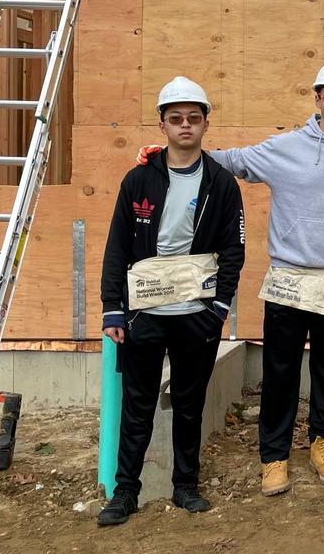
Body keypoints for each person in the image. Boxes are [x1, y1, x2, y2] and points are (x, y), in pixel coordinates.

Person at [198, 60, 324, 496]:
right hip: (289, 276)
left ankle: (323, 444)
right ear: (316, 98)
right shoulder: (285, 148)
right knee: (280, 370)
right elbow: (230, 161)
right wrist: (173, 156)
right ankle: (274, 456)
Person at [98, 77, 246, 526]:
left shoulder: (221, 183)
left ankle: (186, 486)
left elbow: (234, 250)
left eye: (194, 119)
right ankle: (125, 492)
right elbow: (117, 247)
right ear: (162, 124)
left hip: (195, 317)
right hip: (144, 316)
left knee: (189, 401)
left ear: (205, 124)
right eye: (176, 119)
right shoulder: (139, 179)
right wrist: (113, 308)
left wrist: (218, 309)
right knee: (137, 404)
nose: (186, 126)